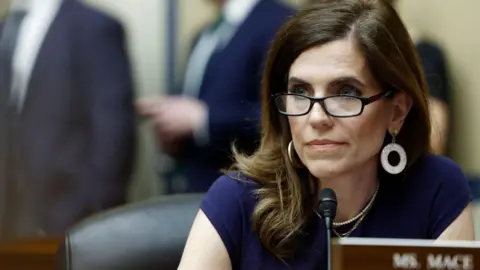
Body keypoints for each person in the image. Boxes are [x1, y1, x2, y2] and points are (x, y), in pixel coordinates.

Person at [178, 1, 474, 269]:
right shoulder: (237, 199)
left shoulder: (437, 188)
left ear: (396, 111)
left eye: (345, 92)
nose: (316, 117)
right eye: (300, 92)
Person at [0, 0, 136, 239]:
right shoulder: (7, 27)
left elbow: (113, 131)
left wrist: (92, 216)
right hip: (10, 222)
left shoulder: (94, 27)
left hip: (69, 220)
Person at [136, 0, 293, 194]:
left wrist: (204, 119)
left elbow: (288, 114)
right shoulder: (205, 33)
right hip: (193, 189)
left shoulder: (281, 23)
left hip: (247, 192)